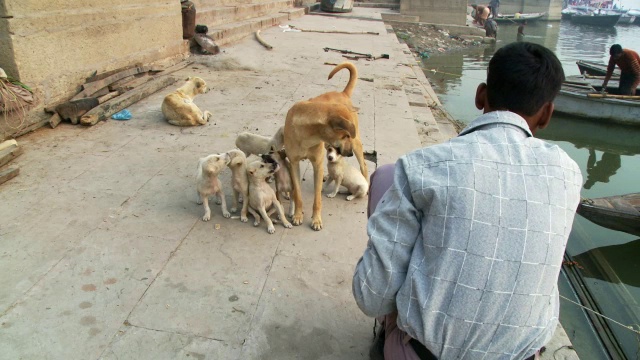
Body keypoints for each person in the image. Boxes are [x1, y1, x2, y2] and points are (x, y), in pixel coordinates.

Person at [353, 42, 583, 360]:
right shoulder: (568, 173)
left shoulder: (423, 166)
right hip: (521, 355)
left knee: (386, 176)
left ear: (480, 96)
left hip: (424, 354)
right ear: (546, 114)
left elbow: (371, 297)